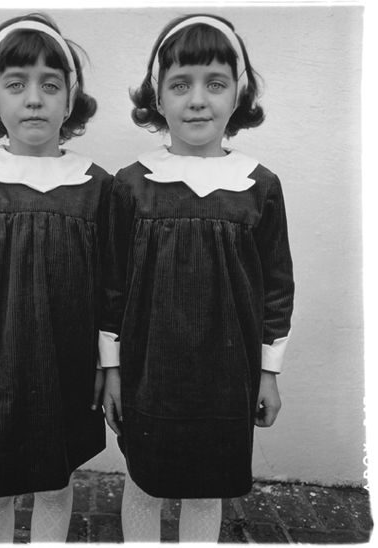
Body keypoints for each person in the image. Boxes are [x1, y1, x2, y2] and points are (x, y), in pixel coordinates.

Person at [100, 13, 294, 542]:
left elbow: (277, 287)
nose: (198, 100)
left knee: (208, 486)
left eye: (216, 83)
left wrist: (269, 372)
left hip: (227, 375)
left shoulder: (259, 186)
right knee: (145, 480)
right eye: (181, 84)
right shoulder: (132, 185)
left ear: (239, 94)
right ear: (158, 96)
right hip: (150, 371)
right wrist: (111, 368)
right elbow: (111, 287)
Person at [0, 13, 110, 543]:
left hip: (67, 363)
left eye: (50, 85)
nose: (34, 99)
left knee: (56, 480)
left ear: (70, 100)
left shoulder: (95, 186)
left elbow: (109, 289)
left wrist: (108, 364)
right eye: (16, 84)